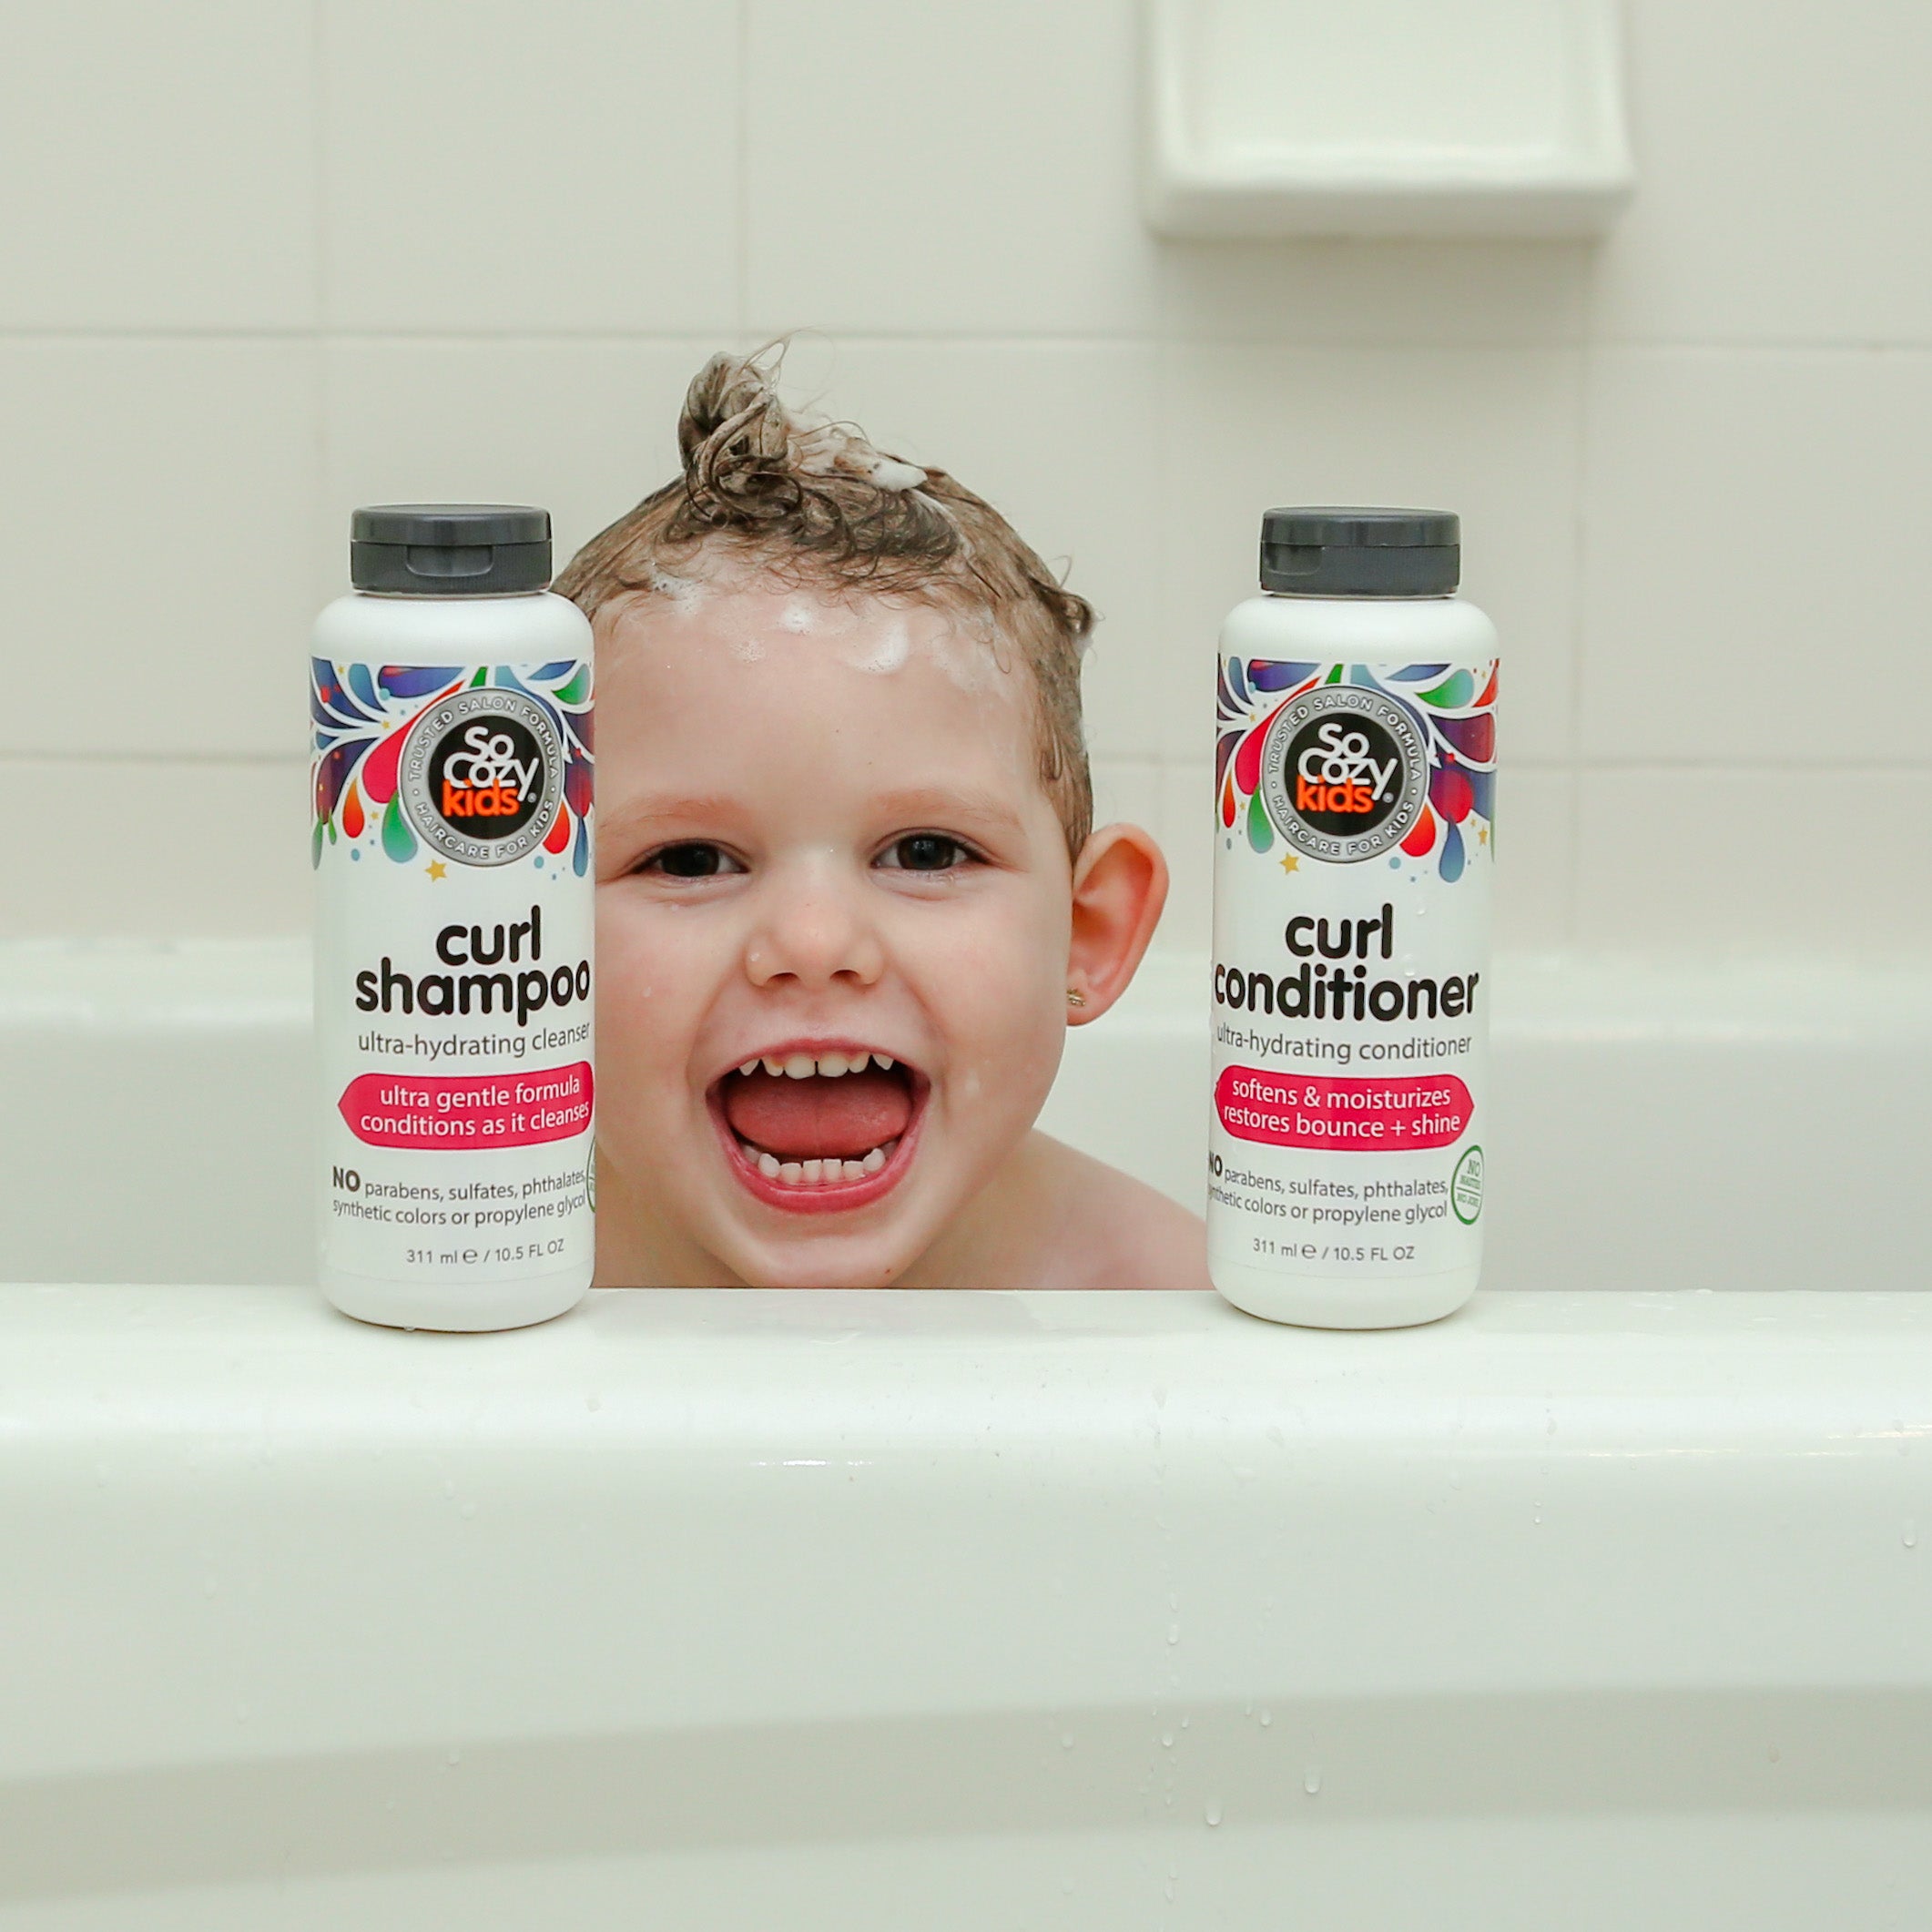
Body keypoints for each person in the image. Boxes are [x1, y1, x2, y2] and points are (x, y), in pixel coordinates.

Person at [557, 349, 1205, 1288]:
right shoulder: (485, 1281)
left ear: (1087, 933)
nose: (813, 941)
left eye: (926, 850)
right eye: (691, 860)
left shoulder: (1161, 1310)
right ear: (526, 943)